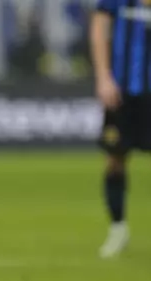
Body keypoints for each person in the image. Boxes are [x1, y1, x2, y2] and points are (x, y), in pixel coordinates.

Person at [90, 0, 151, 258]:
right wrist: (103, 76)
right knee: (114, 160)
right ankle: (118, 228)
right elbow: (99, 26)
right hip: (122, 92)